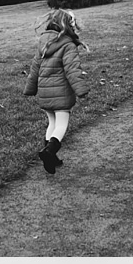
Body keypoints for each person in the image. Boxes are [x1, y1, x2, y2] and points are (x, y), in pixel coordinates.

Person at [23, 9, 89, 174]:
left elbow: (34, 70)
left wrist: (30, 89)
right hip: (61, 95)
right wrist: (81, 90)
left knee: (52, 124)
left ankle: (51, 159)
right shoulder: (67, 45)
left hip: (45, 94)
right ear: (67, 26)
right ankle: (49, 152)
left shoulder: (43, 44)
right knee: (61, 125)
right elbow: (73, 70)